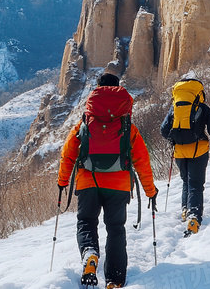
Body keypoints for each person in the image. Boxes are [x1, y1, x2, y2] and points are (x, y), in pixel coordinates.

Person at [57, 73, 157, 289]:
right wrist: (150, 191)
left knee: (86, 222)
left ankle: (90, 253)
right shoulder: (128, 126)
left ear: (97, 90)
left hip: (88, 182)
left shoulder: (85, 121)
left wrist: (62, 182)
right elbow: (142, 160)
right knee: (115, 229)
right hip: (118, 185)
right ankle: (115, 279)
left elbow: (68, 153)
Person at [160, 78, 210, 236]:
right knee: (195, 183)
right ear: (198, 91)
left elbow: (163, 130)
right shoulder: (202, 107)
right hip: (198, 151)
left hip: (179, 152)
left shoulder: (174, 107)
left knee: (186, 181)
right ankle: (193, 216)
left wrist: (173, 140)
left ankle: (185, 210)